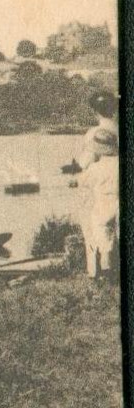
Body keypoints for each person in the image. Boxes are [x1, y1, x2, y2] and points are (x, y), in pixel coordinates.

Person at [77, 91, 120, 279]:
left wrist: (74, 173)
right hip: (119, 179)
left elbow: (86, 161)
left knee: (96, 227)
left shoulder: (94, 134)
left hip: (102, 184)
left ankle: (98, 271)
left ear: (95, 110)